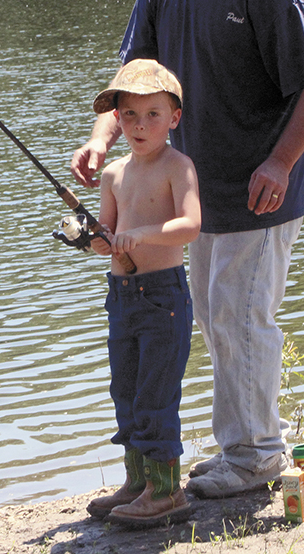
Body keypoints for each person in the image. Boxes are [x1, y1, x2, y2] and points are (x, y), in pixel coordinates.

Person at [71, 0, 304, 500]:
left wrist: (280, 160)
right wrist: (101, 138)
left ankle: (254, 456)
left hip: (259, 189)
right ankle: (240, 447)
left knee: (240, 318)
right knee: (218, 321)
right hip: (194, 192)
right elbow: (135, 76)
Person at [82, 59, 201, 527]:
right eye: (129, 116)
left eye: (152, 114)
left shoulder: (178, 166)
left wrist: (145, 234)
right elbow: (108, 231)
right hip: (121, 296)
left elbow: (190, 226)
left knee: (156, 393)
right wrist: (99, 241)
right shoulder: (113, 173)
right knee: (126, 390)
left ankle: (167, 491)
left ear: (174, 117)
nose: (139, 125)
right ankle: (137, 483)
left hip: (163, 298)